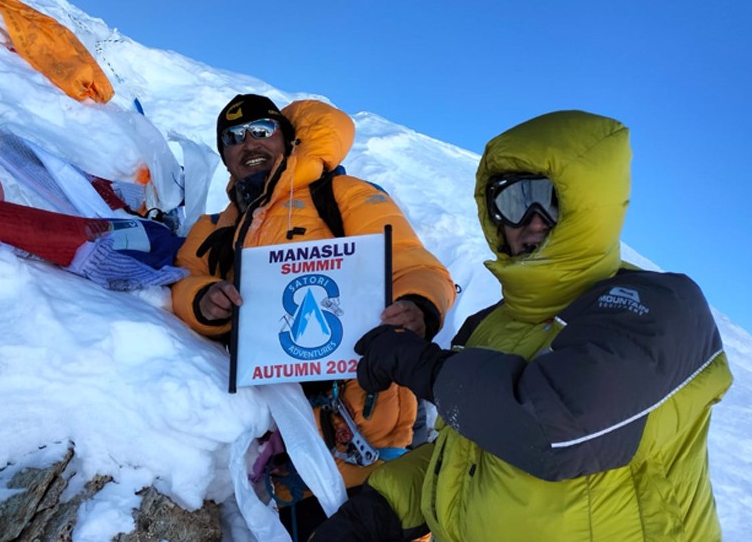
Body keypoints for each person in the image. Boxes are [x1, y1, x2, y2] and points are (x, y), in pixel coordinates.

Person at [309, 110, 733, 542]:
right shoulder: (490, 326)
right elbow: (466, 456)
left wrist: (426, 369)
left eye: (551, 199)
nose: (532, 220)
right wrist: (377, 511)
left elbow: (552, 431)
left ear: (593, 206)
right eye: (512, 201)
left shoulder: (662, 308)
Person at [171, 93, 456, 538]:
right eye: (234, 137)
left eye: (263, 130)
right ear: (224, 155)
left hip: (367, 441)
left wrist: (418, 306)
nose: (250, 143)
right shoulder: (213, 229)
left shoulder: (343, 197)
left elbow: (417, 266)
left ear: (287, 138)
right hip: (276, 454)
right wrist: (204, 300)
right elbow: (182, 281)